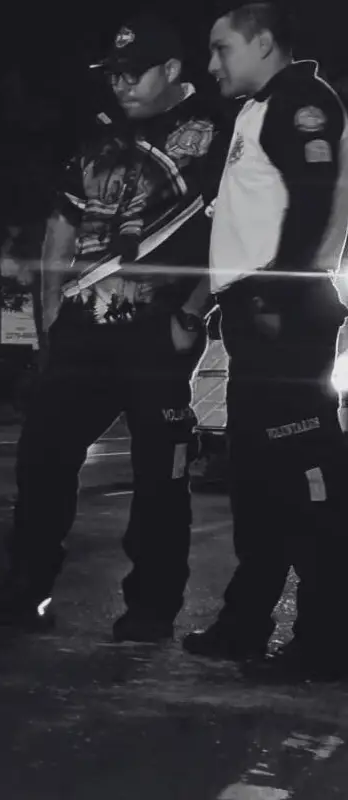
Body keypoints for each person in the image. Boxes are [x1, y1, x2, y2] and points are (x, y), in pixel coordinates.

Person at [0, 13, 227, 641]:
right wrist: (49, 308)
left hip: (157, 329)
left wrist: (193, 310)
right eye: (114, 74)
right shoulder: (98, 139)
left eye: (134, 73)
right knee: (43, 456)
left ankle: (152, 609)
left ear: (172, 71)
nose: (121, 84)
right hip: (83, 327)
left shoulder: (215, 133)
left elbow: (233, 230)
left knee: (161, 474)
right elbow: (62, 223)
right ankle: (24, 590)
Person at [182, 1, 348, 679]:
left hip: (284, 318)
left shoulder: (303, 104)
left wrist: (274, 301)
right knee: (257, 485)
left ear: (265, 43)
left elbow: (313, 210)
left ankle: (327, 641)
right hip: (256, 317)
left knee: (307, 487)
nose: (212, 62)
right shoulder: (260, 107)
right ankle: (244, 626)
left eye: (223, 48)